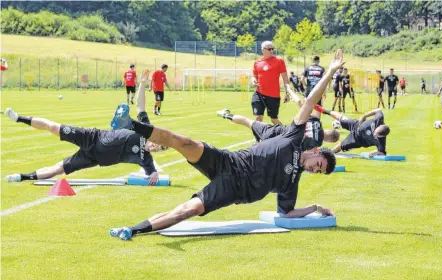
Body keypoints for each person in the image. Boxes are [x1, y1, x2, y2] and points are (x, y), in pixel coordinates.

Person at [107, 49, 346, 241]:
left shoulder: (292, 184)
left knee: (189, 210)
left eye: (318, 172)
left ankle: (132, 229)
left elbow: (288, 212)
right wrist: (331, 71)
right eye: (319, 164)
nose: (315, 169)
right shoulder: (293, 137)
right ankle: (130, 124)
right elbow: (310, 101)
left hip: (235, 190)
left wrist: (314, 207)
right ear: (315, 151)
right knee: (183, 142)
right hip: (229, 161)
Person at [4, 105, 165, 185]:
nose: (156, 148)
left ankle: (22, 177)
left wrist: (154, 174)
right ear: (155, 139)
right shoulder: (145, 130)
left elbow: (152, 174)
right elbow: (140, 107)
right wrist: (143, 83)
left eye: (160, 149)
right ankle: (18, 118)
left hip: (92, 158)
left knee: (59, 169)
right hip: (92, 137)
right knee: (54, 128)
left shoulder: (147, 160)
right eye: (158, 144)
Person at [216, 85, 340, 147]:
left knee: (248, 122)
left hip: (276, 131)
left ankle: (226, 114)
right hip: (279, 144)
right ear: (328, 141)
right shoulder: (316, 144)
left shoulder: (316, 121)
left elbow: (301, 103)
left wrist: (290, 90)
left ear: (329, 129)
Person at [315, 105, 390, 156]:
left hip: (357, 140)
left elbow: (382, 152)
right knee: (340, 117)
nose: (374, 133)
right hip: (357, 124)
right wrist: (364, 115)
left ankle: (324, 153)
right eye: (375, 130)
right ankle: (322, 110)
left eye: (376, 134)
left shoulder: (381, 142)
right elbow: (378, 110)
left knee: (339, 147)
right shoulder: (379, 119)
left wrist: (372, 153)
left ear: (381, 136)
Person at [251, 41, 291, 126]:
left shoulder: (279, 61)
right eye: (269, 49)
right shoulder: (257, 62)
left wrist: (287, 93)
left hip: (273, 95)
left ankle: (285, 134)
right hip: (259, 93)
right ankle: (259, 139)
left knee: (274, 120)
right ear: (263, 50)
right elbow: (254, 76)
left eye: (272, 48)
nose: (271, 51)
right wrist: (253, 80)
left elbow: (285, 78)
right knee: (258, 118)